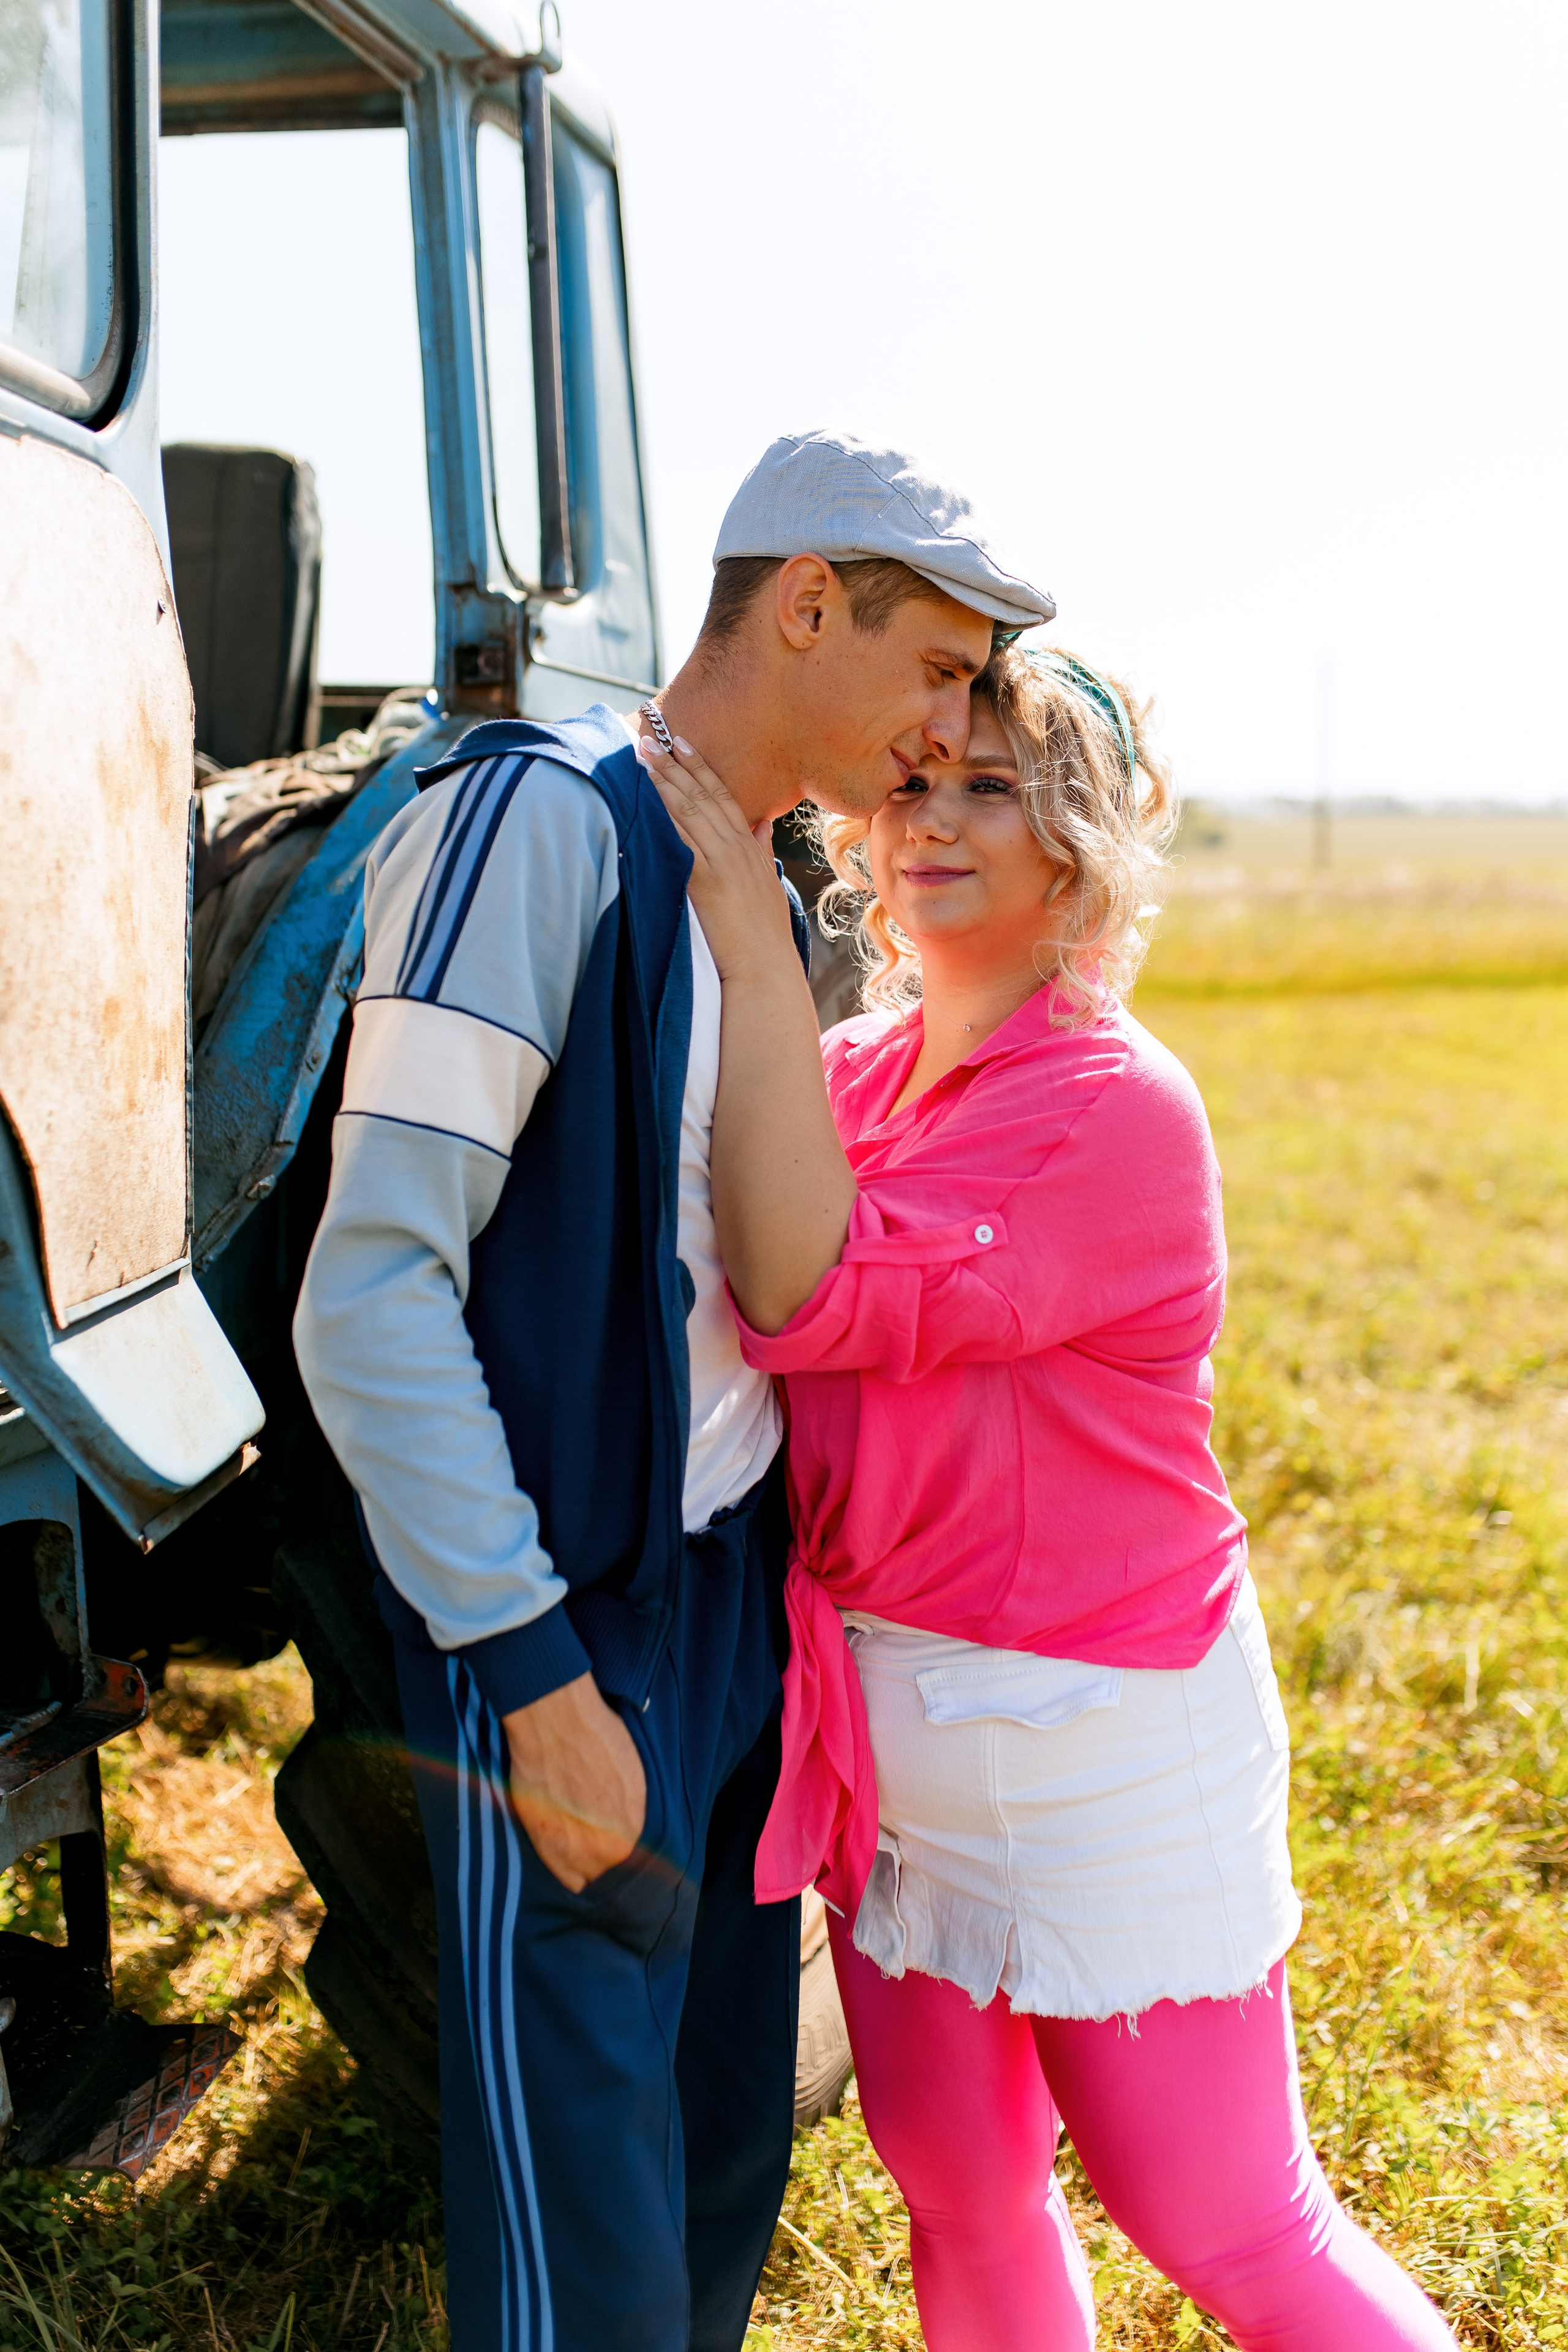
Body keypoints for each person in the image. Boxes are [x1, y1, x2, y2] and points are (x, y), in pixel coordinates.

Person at [292, 429, 1056, 2352]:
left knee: (721, 2165)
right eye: (937, 667)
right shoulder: (537, 827)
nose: (949, 727)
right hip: (569, 1627)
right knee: (589, 2259)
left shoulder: (758, 893)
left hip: (731, 1612)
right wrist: (532, 1678)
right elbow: (371, 1293)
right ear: (804, 603)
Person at [638, 646, 1459, 2350]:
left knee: (1228, 2225)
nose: (931, 820)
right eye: (912, 782)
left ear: (1079, 838)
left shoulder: (1112, 1104)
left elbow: (801, 1291)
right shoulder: (851, 1076)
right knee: (960, 2190)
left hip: (1106, 1745)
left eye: (990, 788)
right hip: (888, 1737)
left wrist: (744, 935)